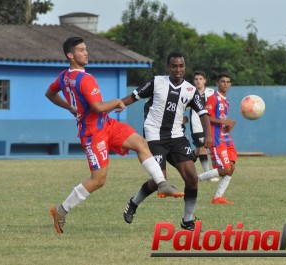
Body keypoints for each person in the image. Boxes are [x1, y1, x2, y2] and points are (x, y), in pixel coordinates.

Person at [45, 37, 184, 234]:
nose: (86, 53)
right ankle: (61, 210)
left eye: (86, 49)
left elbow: (49, 94)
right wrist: (118, 102)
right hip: (93, 133)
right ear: (70, 55)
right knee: (98, 180)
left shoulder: (63, 76)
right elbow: (98, 106)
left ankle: (162, 184)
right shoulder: (85, 79)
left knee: (140, 143)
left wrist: (69, 107)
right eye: (81, 50)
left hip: (106, 124)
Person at [121, 51, 212, 231]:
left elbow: (204, 114)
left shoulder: (191, 90)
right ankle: (133, 203)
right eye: (174, 66)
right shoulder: (157, 82)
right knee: (158, 180)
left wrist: (208, 136)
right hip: (154, 136)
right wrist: (115, 106)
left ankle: (187, 221)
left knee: (192, 178)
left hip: (177, 137)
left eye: (181, 66)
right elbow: (133, 97)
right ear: (168, 67)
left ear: (184, 67)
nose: (178, 69)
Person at [197, 73, 237, 204]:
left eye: (228, 81)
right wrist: (223, 122)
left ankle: (218, 197)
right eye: (223, 81)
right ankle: (195, 179)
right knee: (225, 169)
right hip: (216, 138)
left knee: (231, 167)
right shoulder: (213, 98)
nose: (225, 83)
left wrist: (227, 126)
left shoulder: (226, 101)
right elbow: (206, 117)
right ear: (217, 84)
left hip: (226, 137)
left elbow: (221, 120)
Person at [189, 71, 218, 181]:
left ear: (204, 80)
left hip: (209, 124)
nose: (198, 81)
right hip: (196, 125)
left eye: (200, 79)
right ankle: (208, 174)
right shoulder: (190, 93)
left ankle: (186, 160)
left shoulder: (211, 92)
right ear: (194, 81)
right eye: (196, 79)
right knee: (202, 148)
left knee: (199, 150)